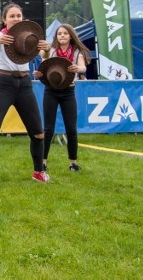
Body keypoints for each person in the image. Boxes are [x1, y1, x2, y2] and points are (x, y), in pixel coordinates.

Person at [0, 3, 51, 183]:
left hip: (25, 84)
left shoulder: (28, 37)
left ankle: (38, 172)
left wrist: (47, 49)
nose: (16, 18)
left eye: (18, 16)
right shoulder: (0, 35)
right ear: (4, 19)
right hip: (3, 83)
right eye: (12, 16)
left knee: (38, 133)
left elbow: (44, 56)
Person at [35, 23, 90, 172]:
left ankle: (73, 163)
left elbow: (83, 67)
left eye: (65, 33)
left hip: (68, 91)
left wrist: (79, 69)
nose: (62, 36)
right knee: (48, 128)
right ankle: (43, 162)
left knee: (71, 129)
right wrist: (39, 74)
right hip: (51, 91)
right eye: (59, 34)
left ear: (71, 35)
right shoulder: (51, 51)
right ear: (56, 37)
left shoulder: (77, 51)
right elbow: (43, 67)